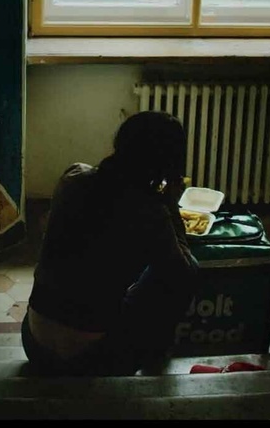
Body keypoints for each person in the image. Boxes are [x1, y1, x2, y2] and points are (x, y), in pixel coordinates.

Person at [23, 111, 199, 376]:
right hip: (93, 361)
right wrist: (170, 204)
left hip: (34, 344)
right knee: (184, 269)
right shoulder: (151, 211)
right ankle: (156, 357)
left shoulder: (72, 177)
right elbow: (181, 272)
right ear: (167, 165)